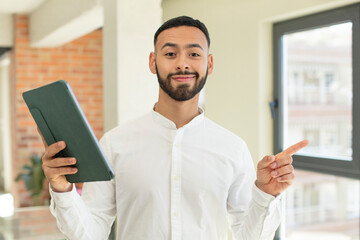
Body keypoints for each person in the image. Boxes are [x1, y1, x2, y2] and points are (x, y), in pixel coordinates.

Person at [40, 16, 309, 240]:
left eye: (194, 53)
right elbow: (91, 232)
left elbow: (247, 236)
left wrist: (265, 194)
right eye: (170, 53)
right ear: (152, 62)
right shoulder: (114, 143)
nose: (182, 63)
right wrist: (62, 190)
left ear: (209, 64)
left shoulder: (232, 147)